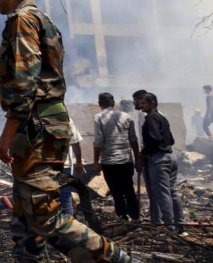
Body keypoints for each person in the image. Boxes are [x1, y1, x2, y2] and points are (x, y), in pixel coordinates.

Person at [0, 0, 130, 262]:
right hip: (44, 125)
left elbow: (24, 80)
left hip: (36, 128)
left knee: (44, 217)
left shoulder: (22, 20)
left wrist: (6, 135)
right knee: (25, 218)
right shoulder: (45, 20)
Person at [139, 92, 186, 235]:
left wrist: (144, 152)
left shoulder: (150, 118)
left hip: (159, 159)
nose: (141, 106)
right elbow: (171, 140)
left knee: (163, 194)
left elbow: (155, 139)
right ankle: (180, 225)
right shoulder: (162, 117)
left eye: (143, 103)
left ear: (152, 103)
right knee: (173, 192)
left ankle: (170, 228)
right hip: (170, 157)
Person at [93, 92, 141, 221]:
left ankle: (122, 217)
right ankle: (135, 217)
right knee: (129, 188)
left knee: (115, 190)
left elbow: (98, 141)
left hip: (109, 162)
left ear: (99, 104)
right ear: (113, 103)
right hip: (126, 160)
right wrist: (137, 159)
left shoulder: (98, 117)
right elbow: (133, 140)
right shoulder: (126, 116)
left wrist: (96, 162)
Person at [58, 116, 84, 217]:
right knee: (65, 197)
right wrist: (79, 162)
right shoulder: (66, 119)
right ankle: (68, 224)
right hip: (64, 166)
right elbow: (75, 143)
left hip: (45, 167)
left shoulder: (37, 118)